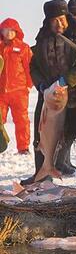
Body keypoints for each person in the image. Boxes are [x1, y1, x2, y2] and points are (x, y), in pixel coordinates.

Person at [24, 0, 76, 185]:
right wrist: (41, 84)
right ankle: (42, 176)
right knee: (42, 136)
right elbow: (33, 66)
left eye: (62, 19)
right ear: (48, 21)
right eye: (54, 20)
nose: (59, 24)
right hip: (50, 98)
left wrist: (67, 80)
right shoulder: (42, 40)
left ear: (68, 18)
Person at [54, 0, 76, 176]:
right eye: (74, 15)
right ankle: (60, 163)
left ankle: (66, 162)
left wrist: (69, 79)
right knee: (64, 130)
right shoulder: (61, 37)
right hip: (63, 92)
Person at [0, 18, 33, 153]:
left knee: (22, 120)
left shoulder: (24, 48)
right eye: (5, 30)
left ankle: (23, 148)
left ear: (16, 31)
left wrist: (29, 86)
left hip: (19, 91)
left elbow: (30, 68)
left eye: (11, 31)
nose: (8, 33)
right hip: (1, 91)